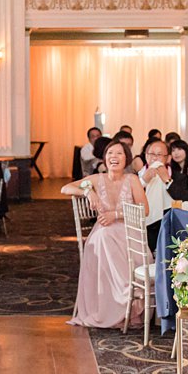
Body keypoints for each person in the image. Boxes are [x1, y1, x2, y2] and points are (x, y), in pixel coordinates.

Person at [63, 140, 148, 328]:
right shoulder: (96, 179)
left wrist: (115, 215)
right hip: (103, 232)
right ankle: (117, 300)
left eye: (119, 153)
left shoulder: (132, 180)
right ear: (105, 158)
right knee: (102, 237)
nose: (114, 157)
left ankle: (126, 299)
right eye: (110, 153)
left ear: (126, 158)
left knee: (107, 237)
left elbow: (144, 209)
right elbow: (65, 188)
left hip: (128, 233)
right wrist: (87, 192)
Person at [137, 138, 173, 253]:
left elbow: (183, 196)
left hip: (168, 217)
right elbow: (129, 196)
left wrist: (167, 180)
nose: (154, 158)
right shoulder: (137, 175)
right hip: (142, 219)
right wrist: (143, 181)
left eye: (159, 154)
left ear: (167, 158)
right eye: (151, 154)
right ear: (146, 155)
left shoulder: (176, 173)